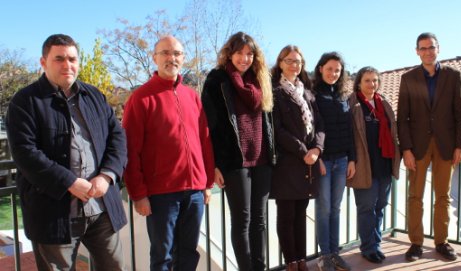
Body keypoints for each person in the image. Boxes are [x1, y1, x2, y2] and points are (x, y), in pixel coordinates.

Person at [6, 34, 127, 270]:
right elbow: (25, 153)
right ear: (43, 62)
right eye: (59, 58)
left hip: (101, 209)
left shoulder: (94, 96)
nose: (67, 65)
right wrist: (69, 182)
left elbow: (118, 137)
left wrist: (108, 174)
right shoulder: (25, 101)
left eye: (72, 58)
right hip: (54, 214)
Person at [122, 35, 215, 271]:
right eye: (165, 53)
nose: (171, 58)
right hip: (161, 194)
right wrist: (138, 194)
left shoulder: (192, 96)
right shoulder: (141, 98)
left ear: (183, 58)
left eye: (176, 54)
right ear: (154, 58)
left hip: (194, 191)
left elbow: (204, 140)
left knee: (187, 254)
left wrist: (207, 183)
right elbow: (130, 150)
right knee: (162, 256)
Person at [201, 31, 275, 271]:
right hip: (234, 161)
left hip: (262, 159)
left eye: (249, 54)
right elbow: (208, 125)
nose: (245, 58)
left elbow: (269, 122)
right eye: (240, 53)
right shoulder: (216, 80)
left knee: (260, 220)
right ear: (229, 54)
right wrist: (214, 165)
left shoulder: (260, 79)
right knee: (242, 222)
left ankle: (260, 267)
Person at [397, 32, 461, 261]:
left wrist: (459, 145)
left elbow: (460, 113)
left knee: (443, 196)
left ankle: (441, 242)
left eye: (431, 47)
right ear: (417, 51)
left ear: (438, 48)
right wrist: (406, 149)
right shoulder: (408, 78)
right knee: (415, 195)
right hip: (417, 147)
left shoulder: (453, 76)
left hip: (447, 146)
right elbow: (402, 118)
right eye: (423, 48)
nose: (427, 51)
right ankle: (416, 243)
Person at [270, 45, 324, 271]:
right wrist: (304, 151)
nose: (295, 65)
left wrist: (317, 150)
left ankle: (302, 260)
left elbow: (320, 126)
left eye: (298, 61)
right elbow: (278, 130)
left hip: (308, 164)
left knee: (301, 214)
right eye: (290, 60)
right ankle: (291, 262)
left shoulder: (308, 93)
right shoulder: (274, 93)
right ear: (280, 63)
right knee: (286, 216)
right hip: (287, 164)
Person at [348, 67, 401, 264]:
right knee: (366, 207)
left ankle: (375, 244)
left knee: (380, 206)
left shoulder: (383, 103)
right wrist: (351, 160)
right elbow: (349, 137)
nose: (372, 84)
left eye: (375, 80)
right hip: (364, 164)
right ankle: (368, 247)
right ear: (359, 83)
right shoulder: (353, 104)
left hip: (384, 162)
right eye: (367, 80)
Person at [312, 52, 354, 271]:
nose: (333, 73)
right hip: (324, 161)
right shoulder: (313, 94)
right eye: (329, 69)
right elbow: (311, 129)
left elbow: (350, 130)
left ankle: (335, 253)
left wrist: (352, 159)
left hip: (342, 159)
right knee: (323, 208)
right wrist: (316, 157)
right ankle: (324, 255)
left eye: (337, 70)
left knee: (335, 208)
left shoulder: (343, 96)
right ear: (321, 69)